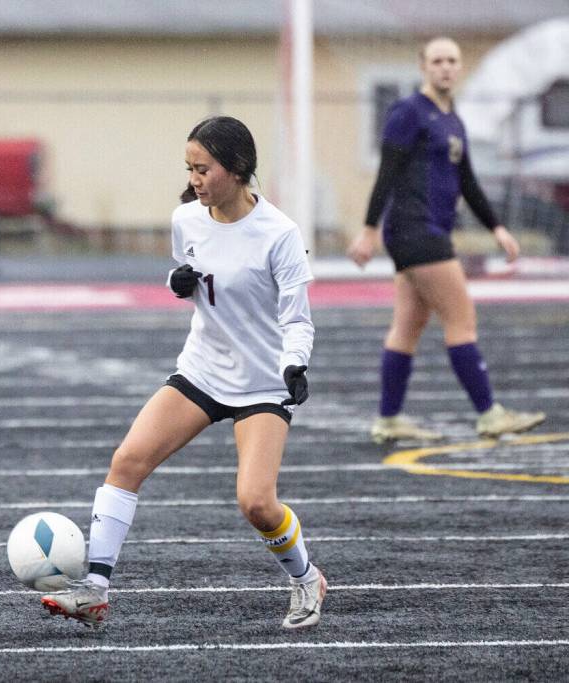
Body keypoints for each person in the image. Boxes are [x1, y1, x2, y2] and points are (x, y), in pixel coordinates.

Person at [41, 116, 325, 630]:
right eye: (189, 168)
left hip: (263, 382)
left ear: (238, 169)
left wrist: (294, 365)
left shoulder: (280, 234)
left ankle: (306, 577)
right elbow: (195, 280)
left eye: (203, 169)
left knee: (257, 503)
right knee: (127, 460)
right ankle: (95, 590)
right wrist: (178, 283)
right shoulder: (187, 219)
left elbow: (296, 319)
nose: (194, 179)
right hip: (202, 371)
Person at [347, 36, 546, 443]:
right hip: (416, 231)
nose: (446, 67)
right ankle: (490, 414)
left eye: (452, 60)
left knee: (408, 326)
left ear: (459, 67)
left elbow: (467, 179)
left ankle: (388, 420)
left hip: (426, 231)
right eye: (437, 60)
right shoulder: (408, 112)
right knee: (461, 319)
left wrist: (497, 228)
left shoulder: (452, 116)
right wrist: (368, 229)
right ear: (423, 65)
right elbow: (386, 172)